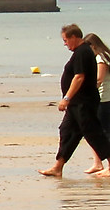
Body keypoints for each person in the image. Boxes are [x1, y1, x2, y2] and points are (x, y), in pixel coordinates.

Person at [46, 23, 110, 177]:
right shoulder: (80, 52)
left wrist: (66, 98)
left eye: (65, 40)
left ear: (74, 37)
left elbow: (79, 77)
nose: (65, 44)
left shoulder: (83, 52)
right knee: (67, 131)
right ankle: (58, 167)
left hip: (83, 101)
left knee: (93, 132)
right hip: (76, 103)